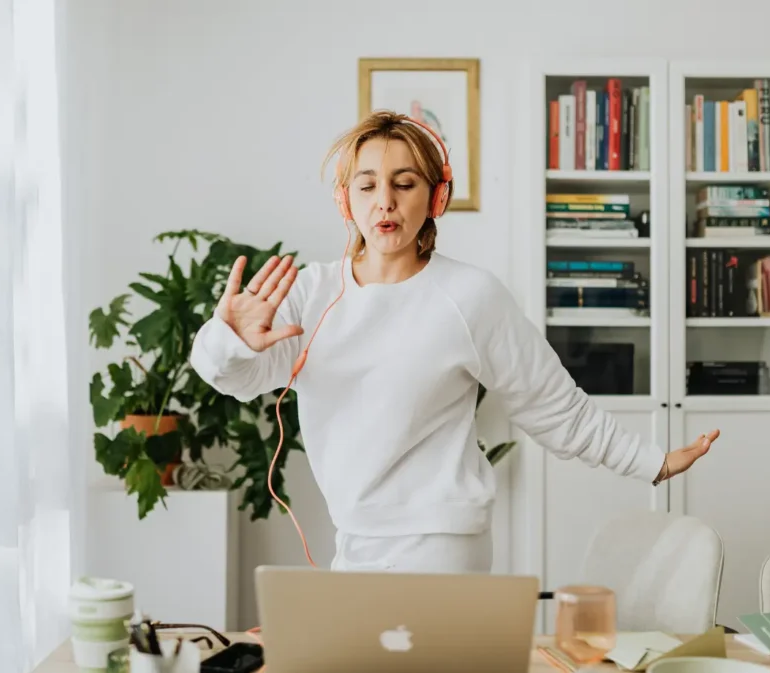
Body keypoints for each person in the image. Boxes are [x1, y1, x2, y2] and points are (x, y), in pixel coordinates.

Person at [190, 110, 719, 574]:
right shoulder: (310, 291)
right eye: (368, 185)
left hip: (442, 543)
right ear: (345, 199)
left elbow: (554, 407)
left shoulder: (470, 296)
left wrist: (654, 461)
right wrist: (230, 338)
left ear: (435, 196)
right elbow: (239, 380)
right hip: (353, 540)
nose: (385, 202)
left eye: (405, 183)